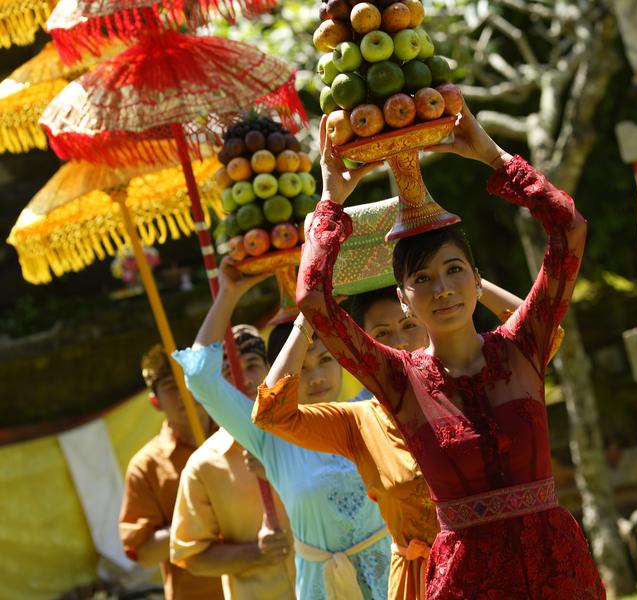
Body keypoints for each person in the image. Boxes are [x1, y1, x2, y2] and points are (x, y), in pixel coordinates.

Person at [294, 106, 605, 598]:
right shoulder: (397, 377)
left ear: (477, 280)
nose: (441, 288)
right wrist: (330, 201)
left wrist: (493, 156)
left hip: (557, 571)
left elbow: (569, 230)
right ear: (403, 298)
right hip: (469, 582)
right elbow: (313, 299)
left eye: (454, 269)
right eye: (421, 278)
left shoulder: (525, 344)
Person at [252, 281, 532, 600]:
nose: (400, 342)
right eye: (382, 334)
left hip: (498, 569)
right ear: (362, 346)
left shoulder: (473, 386)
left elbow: (534, 334)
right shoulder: (358, 421)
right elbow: (271, 413)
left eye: (409, 325)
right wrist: (307, 320)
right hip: (419, 584)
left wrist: (462, 279)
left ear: (428, 326)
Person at [172, 266, 390, 600]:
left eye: (325, 360)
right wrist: (229, 293)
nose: (316, 376)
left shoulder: (372, 408)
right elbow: (201, 377)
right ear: (281, 371)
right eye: (301, 367)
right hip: (322, 588)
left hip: (395, 580)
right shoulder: (270, 435)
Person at [169, 325, 296, 600]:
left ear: (270, 366)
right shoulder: (204, 466)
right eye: (229, 372)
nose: (245, 381)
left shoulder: (312, 432)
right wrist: (257, 552)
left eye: (252, 365)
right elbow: (190, 555)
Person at [119, 345, 223, 600]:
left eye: (188, 379)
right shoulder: (146, 466)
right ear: (155, 402)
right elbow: (144, 553)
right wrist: (199, 515)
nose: (185, 393)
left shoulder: (240, 435)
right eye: (171, 386)